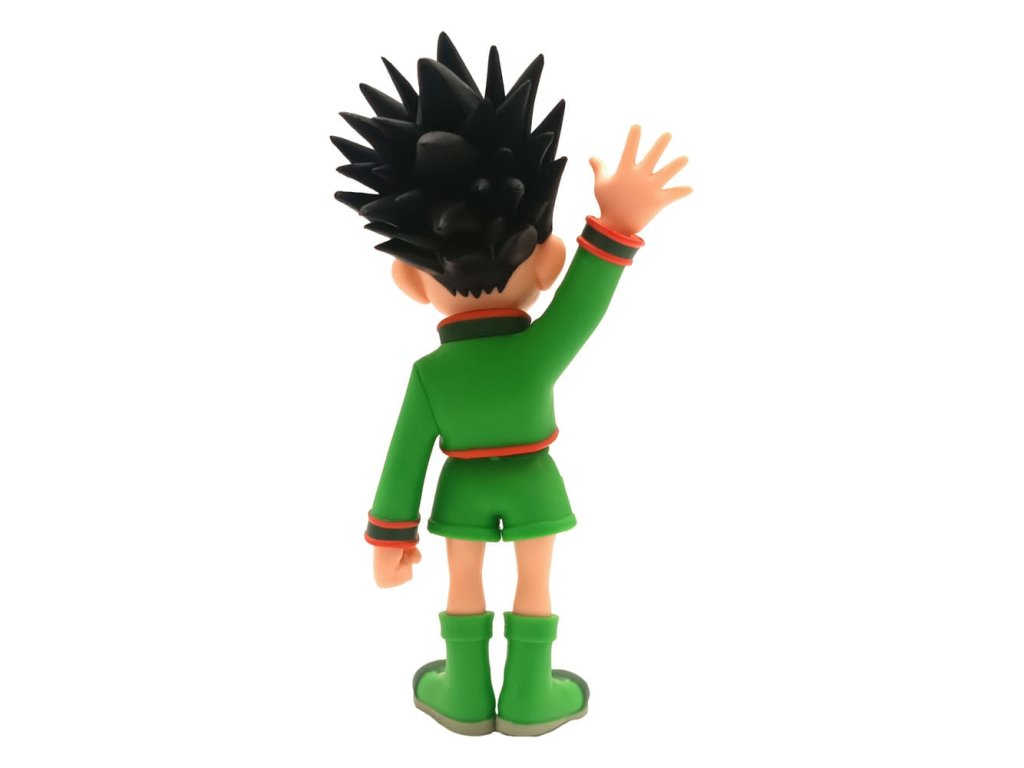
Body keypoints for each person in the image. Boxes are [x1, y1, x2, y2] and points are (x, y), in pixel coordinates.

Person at [333, 32, 691, 736]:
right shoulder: (539, 351)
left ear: (410, 280)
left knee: (462, 580)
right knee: (536, 579)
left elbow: (405, 459)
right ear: (546, 260)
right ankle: (530, 695)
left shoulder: (430, 375)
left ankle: (464, 693)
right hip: (534, 484)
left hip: (461, 489)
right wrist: (617, 225)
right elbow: (584, 304)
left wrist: (389, 538)